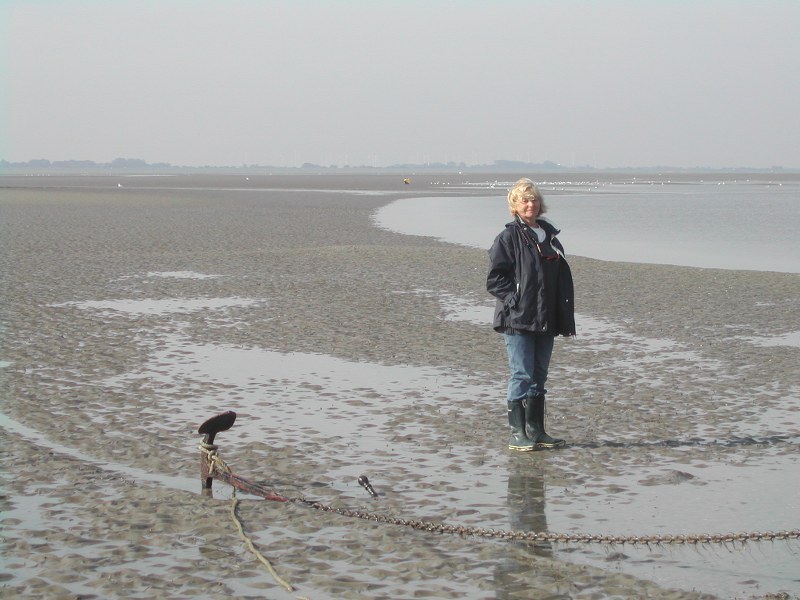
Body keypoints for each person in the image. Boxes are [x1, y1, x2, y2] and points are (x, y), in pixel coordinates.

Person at [487, 178, 576, 451]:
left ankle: (537, 431)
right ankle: (518, 434)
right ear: (514, 206)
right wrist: (516, 300)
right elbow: (495, 279)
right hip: (518, 319)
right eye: (524, 200)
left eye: (534, 199)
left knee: (539, 375)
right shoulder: (508, 237)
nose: (530, 204)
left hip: (546, 317)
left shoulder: (549, 235)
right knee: (521, 375)